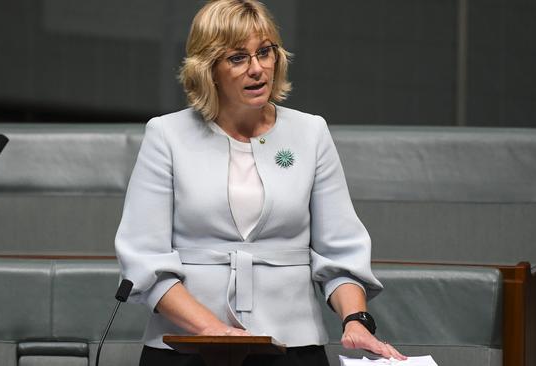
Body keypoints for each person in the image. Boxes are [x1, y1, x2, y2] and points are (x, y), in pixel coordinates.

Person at [115, 1, 405, 365]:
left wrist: (355, 320)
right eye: (238, 58)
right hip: (185, 347)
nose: (257, 69)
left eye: (264, 52)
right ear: (209, 69)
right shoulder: (166, 135)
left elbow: (340, 255)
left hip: (293, 345)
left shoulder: (310, 132)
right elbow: (144, 260)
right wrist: (213, 330)